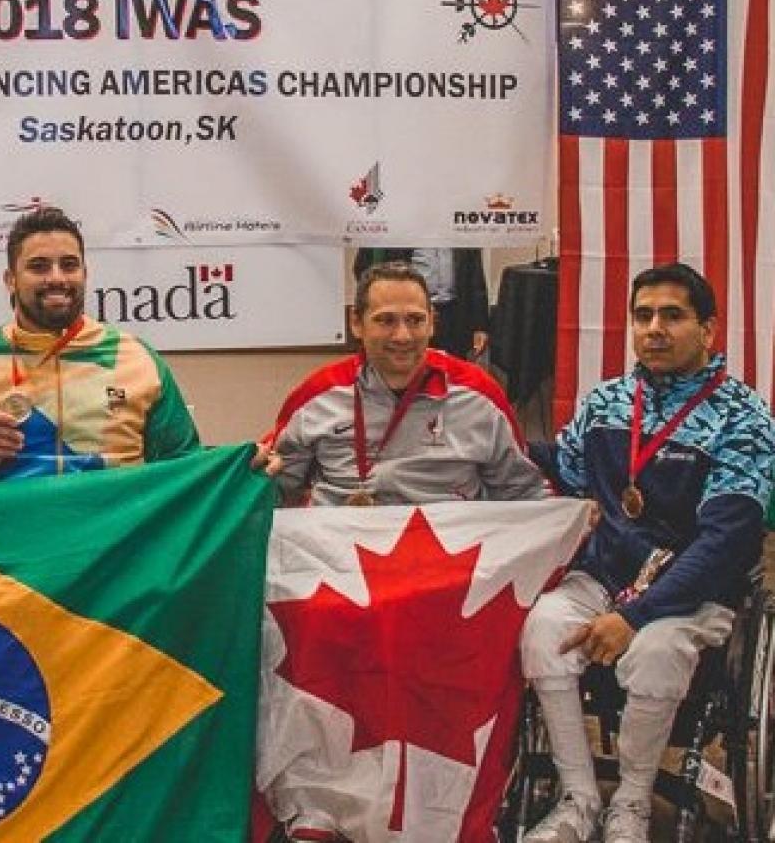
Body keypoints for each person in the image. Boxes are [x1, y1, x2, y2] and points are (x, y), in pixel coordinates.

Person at [520, 263, 775, 843]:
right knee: (541, 629)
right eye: (643, 315)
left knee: (657, 652)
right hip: (606, 578)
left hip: (693, 592)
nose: (654, 328)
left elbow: (726, 540)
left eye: (673, 315)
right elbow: (562, 470)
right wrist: (486, 438)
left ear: (708, 330)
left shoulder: (744, 418)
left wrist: (635, 617)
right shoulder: (607, 401)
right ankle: (579, 800)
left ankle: (630, 805)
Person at [0, 205, 202, 485]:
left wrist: (243, 467)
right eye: (38, 267)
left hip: (113, 544)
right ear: (10, 279)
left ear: (85, 274)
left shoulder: (138, 360)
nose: (56, 278)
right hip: (9, 545)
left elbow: (189, 473)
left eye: (69, 265)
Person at [270, 261, 548, 508]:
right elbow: (273, 488)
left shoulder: (478, 394)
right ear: (357, 323)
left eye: (415, 320)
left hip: (448, 557)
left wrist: (571, 518)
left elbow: (523, 492)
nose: (402, 336)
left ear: (432, 324)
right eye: (386, 321)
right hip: (343, 556)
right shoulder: (318, 393)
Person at [352, 247, 489, 359]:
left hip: (454, 313)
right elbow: (363, 268)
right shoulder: (403, 227)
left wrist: (480, 326)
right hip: (411, 313)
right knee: (411, 362)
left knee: (452, 370)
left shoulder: (459, 229)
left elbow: (476, 280)